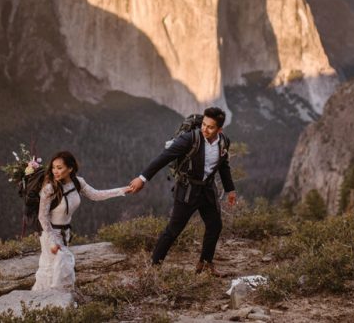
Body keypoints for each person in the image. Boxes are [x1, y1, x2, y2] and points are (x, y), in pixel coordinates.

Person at [127, 107, 236, 276]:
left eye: (210, 127)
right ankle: (153, 268)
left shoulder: (224, 141)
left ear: (219, 129)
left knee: (215, 226)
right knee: (173, 230)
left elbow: (223, 165)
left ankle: (205, 264)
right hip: (188, 190)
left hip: (207, 190)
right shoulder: (190, 139)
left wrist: (230, 189)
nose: (205, 129)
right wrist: (142, 178)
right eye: (204, 124)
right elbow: (164, 157)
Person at [32, 151, 130, 291]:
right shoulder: (50, 188)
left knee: (59, 269)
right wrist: (53, 240)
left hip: (65, 233)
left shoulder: (78, 182)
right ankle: (51, 302)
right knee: (56, 268)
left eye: (59, 168)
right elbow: (42, 216)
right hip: (50, 234)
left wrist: (122, 190)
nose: (55, 171)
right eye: (53, 167)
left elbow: (96, 195)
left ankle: (55, 303)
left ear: (70, 168)